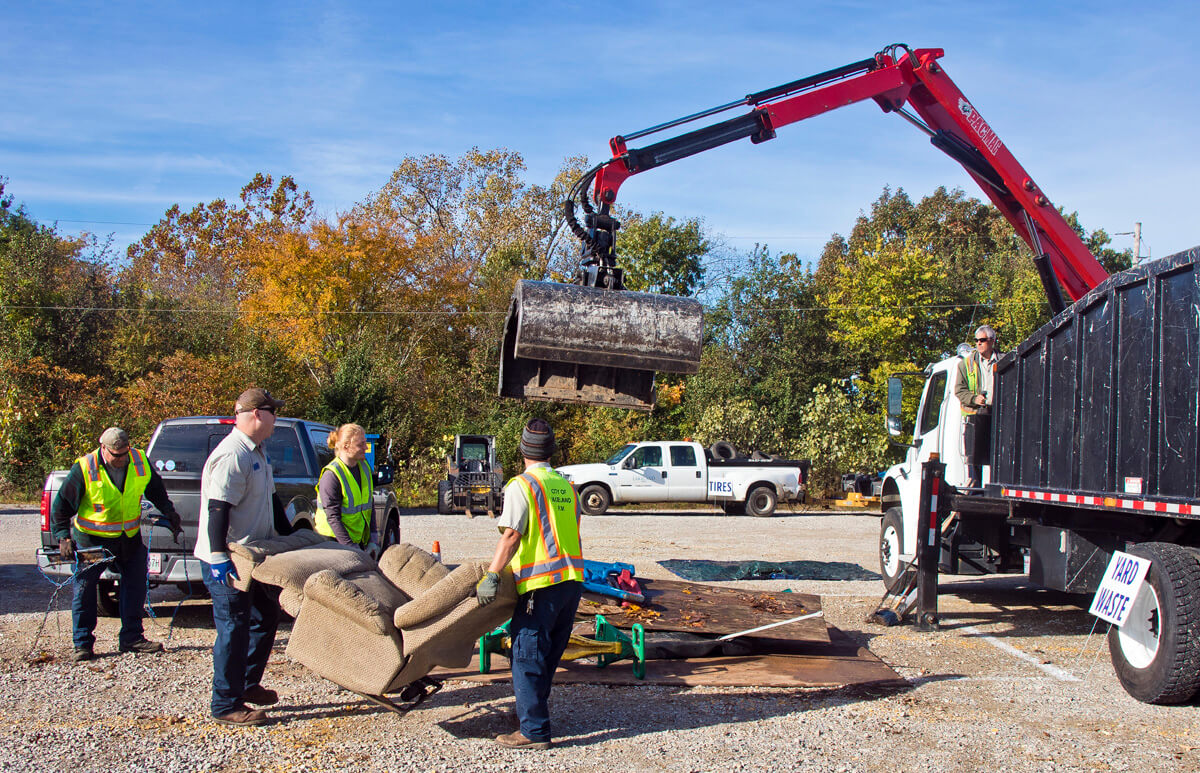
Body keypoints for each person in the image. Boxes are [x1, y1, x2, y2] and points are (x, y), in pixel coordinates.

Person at [476, 418, 583, 750]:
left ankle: (533, 732)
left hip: (542, 584)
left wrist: (492, 575)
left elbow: (511, 536)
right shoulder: (566, 485)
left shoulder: (521, 485)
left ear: (522, 449)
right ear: (551, 451)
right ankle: (529, 713)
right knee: (547, 654)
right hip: (572, 581)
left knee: (526, 653)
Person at [195, 387, 294, 727]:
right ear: (256, 414)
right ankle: (225, 704)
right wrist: (218, 555)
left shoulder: (258, 452)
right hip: (231, 560)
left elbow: (272, 503)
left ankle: (248, 683)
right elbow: (216, 509)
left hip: (255, 557)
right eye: (273, 413)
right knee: (233, 628)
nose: (275, 419)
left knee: (265, 617)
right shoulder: (233, 454)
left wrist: (293, 536)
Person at [51, 427, 183, 662]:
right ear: (103, 448)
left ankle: (131, 638)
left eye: (124, 453)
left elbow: (156, 490)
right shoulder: (84, 468)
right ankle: (82, 644)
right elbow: (61, 506)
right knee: (85, 592)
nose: (121, 459)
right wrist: (63, 536)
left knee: (134, 588)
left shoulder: (139, 460)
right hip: (92, 540)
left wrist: (170, 513)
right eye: (115, 454)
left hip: (128, 539)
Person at [314, 423, 381, 558]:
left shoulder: (364, 468)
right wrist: (351, 547)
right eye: (361, 444)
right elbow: (333, 517)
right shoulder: (332, 475)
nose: (365, 448)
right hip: (332, 543)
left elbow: (369, 504)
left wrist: (372, 538)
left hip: (355, 542)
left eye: (365, 443)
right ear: (346, 447)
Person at [955, 325, 1001, 486]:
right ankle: (975, 488)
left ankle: (997, 487)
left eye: (982, 340)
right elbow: (959, 391)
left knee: (998, 457)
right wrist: (975, 399)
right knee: (975, 460)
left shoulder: (1005, 360)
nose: (978, 343)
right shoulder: (965, 365)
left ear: (992, 341)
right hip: (975, 417)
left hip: (998, 416)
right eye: (976, 341)